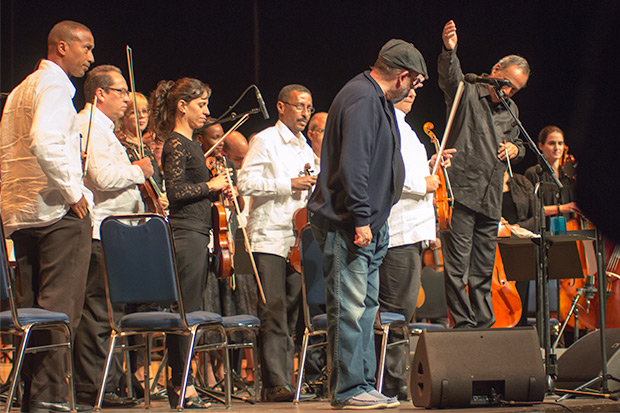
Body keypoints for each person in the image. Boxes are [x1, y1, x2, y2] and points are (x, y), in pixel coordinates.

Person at [307, 39, 428, 410]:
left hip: (371, 223)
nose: (415, 89)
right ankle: (347, 390)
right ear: (402, 75)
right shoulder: (362, 97)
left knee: (366, 309)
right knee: (349, 307)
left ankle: (362, 384)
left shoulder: (376, 100)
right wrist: (361, 218)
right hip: (350, 224)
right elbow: (354, 164)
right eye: (416, 82)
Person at [0, 20, 94, 412]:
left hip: (22, 213)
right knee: (59, 310)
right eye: (85, 48)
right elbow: (43, 140)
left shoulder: (21, 89)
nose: (90, 57)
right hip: (56, 211)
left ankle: (31, 396)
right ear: (61, 48)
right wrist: (74, 193)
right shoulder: (55, 86)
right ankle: (51, 398)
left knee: (31, 311)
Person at [437, 20, 529, 329]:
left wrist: (516, 150)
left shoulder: (512, 110)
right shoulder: (468, 89)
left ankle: (485, 324)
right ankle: (463, 325)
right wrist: (451, 52)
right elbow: (450, 79)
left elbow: (519, 142)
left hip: (492, 197)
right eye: (506, 83)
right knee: (458, 267)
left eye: (514, 89)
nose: (507, 91)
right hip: (462, 192)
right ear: (496, 69)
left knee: (483, 268)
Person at [73, 65, 153, 407]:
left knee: (109, 314)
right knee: (98, 314)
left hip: (116, 234)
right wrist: (139, 171)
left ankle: (110, 382)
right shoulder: (89, 124)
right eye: (120, 92)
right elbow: (101, 177)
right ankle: (95, 388)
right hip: (100, 232)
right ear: (100, 94)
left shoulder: (106, 128)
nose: (126, 99)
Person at [149, 77, 232, 409]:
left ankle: (185, 384)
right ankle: (182, 386)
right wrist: (210, 185)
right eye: (201, 105)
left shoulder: (192, 144)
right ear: (182, 106)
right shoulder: (176, 143)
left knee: (192, 312)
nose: (207, 112)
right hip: (184, 235)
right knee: (185, 314)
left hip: (198, 234)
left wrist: (216, 192)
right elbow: (175, 192)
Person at [237, 84, 317, 402]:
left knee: (294, 311)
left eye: (308, 107)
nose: (304, 113)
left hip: (297, 239)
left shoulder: (305, 147)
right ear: (281, 107)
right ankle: (274, 382)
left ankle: (288, 379)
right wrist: (288, 183)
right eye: (299, 106)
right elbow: (245, 182)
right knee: (273, 308)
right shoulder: (265, 140)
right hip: (269, 235)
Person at [377, 87, 452, 400]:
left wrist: (430, 166)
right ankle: (390, 383)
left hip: (413, 233)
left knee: (402, 313)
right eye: (406, 87)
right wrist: (424, 182)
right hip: (399, 233)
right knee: (395, 312)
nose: (412, 93)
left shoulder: (405, 126)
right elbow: (386, 173)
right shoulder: (387, 123)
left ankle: (392, 380)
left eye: (416, 89)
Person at [116, 91, 166, 210]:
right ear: (123, 117)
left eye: (144, 111)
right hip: (131, 206)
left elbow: (156, 179)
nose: (142, 116)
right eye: (134, 112)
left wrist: (162, 196)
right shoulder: (121, 145)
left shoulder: (146, 148)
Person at [524, 125, 580, 222]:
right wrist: (562, 208)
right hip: (543, 230)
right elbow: (531, 209)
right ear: (540, 146)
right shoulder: (533, 173)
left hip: (569, 229)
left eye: (560, 143)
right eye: (552, 143)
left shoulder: (568, 174)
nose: (557, 148)